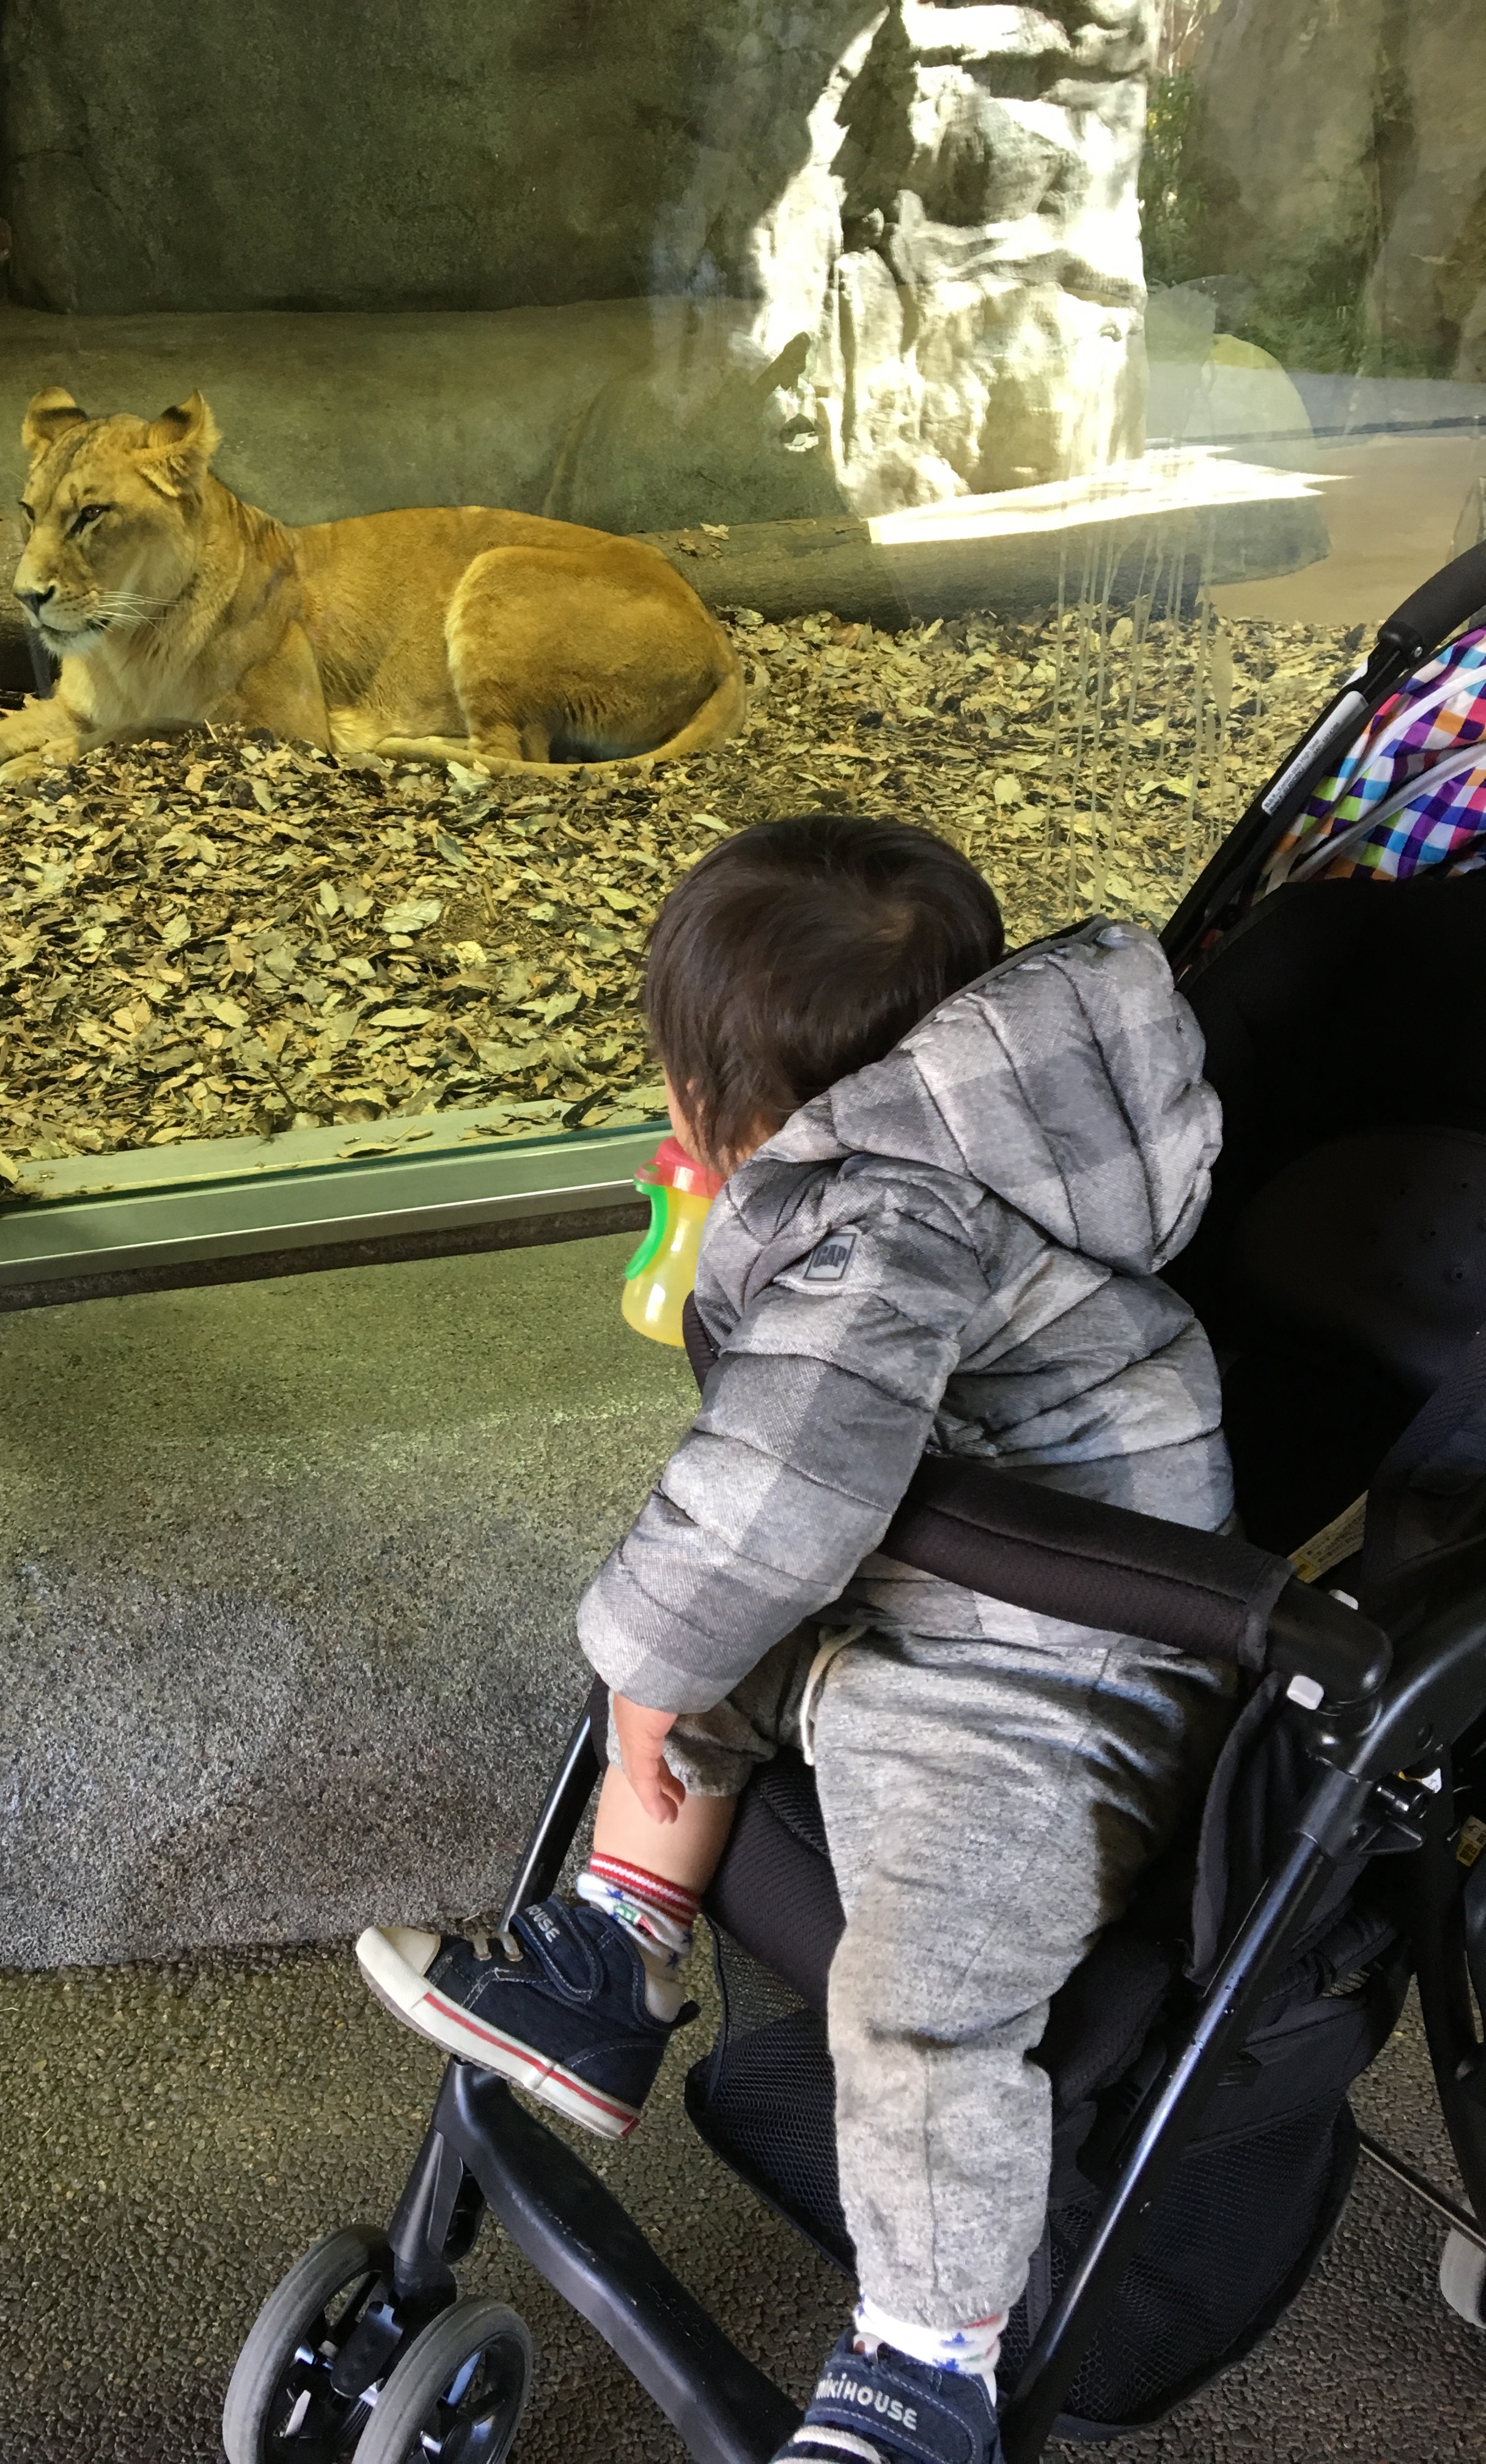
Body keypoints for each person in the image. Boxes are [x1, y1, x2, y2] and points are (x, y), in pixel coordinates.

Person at [356, 815, 1237, 2464]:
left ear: (730, 1097)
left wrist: (646, 1662)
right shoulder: (933, 1146)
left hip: (1056, 1663)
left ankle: (927, 2371)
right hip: (919, 1569)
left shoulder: (893, 1226)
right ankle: (613, 1963)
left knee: (925, 1998)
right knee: (692, 1658)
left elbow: (776, 1499)